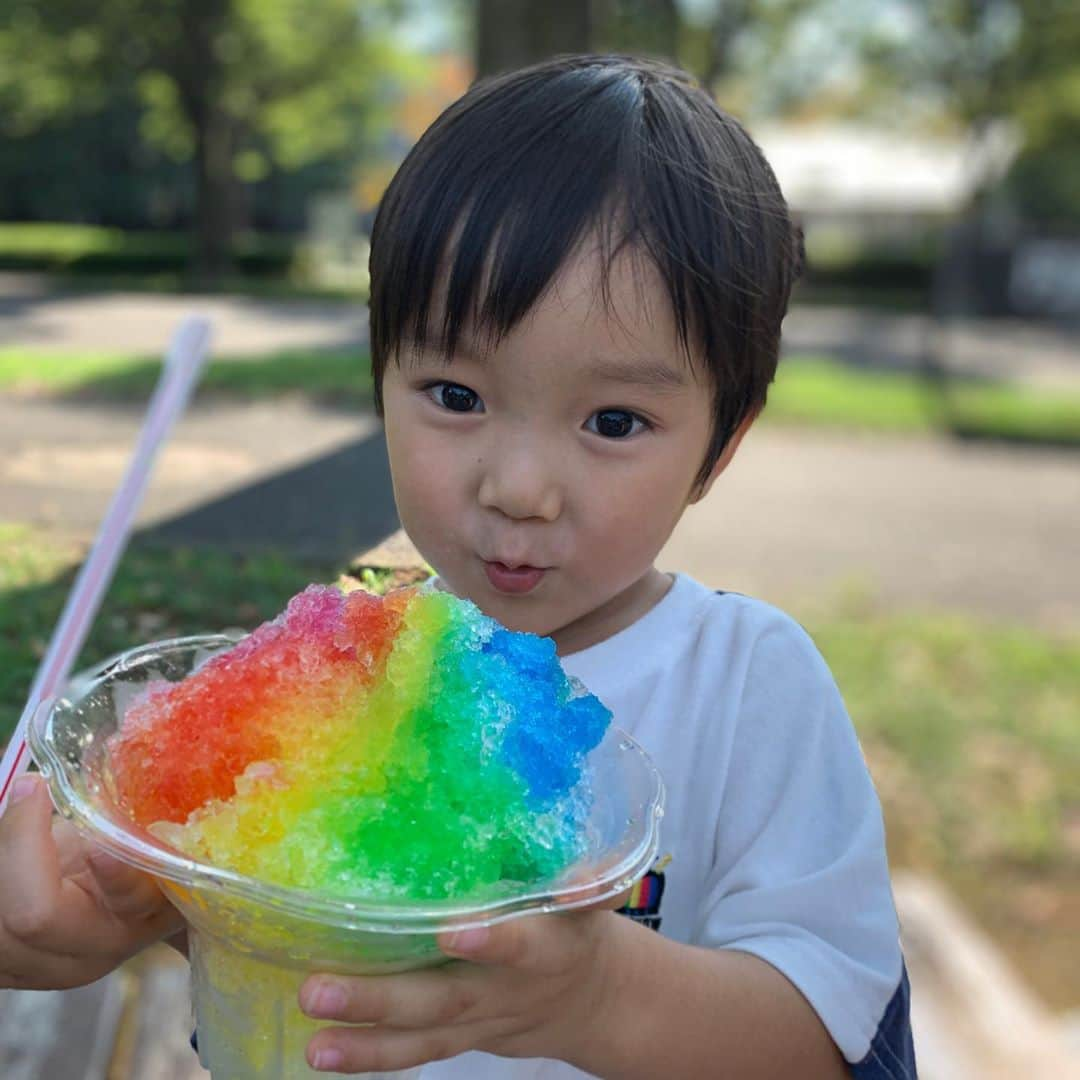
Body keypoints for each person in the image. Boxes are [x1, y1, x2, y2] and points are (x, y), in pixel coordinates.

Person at [0, 55, 916, 1079]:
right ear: (381, 381)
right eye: (455, 394)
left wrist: (598, 995)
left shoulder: (746, 681)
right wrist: (111, 916)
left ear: (721, 443)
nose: (520, 485)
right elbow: (243, 929)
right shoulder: (338, 679)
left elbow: (835, 1047)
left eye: (614, 421)